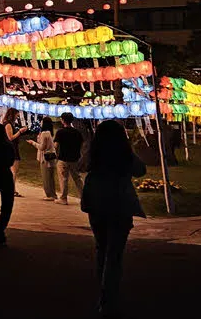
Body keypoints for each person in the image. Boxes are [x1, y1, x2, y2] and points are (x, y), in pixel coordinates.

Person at [81, 120, 146, 318]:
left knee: (102, 248)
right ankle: (109, 296)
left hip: (97, 203)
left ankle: (104, 293)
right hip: (119, 203)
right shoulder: (124, 154)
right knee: (115, 253)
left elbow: (81, 165)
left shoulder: (95, 153)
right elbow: (140, 169)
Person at [54, 112, 85, 204]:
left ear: (63, 120)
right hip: (75, 158)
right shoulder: (77, 132)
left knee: (63, 178)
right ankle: (84, 198)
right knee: (78, 178)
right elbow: (82, 144)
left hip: (63, 158)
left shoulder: (60, 132)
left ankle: (63, 198)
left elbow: (55, 145)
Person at [26, 117, 57, 200]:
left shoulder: (44, 133)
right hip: (51, 157)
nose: (40, 123)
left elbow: (42, 147)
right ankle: (53, 194)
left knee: (46, 177)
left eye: (42, 121)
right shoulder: (50, 133)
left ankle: (49, 195)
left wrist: (33, 143)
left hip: (45, 158)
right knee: (50, 177)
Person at [2, 108, 25, 197]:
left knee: (12, 171)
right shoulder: (8, 124)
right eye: (16, 115)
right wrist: (19, 131)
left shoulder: (9, 124)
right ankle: (11, 189)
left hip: (12, 148)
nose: (17, 117)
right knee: (14, 171)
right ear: (12, 115)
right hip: (11, 149)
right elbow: (10, 137)